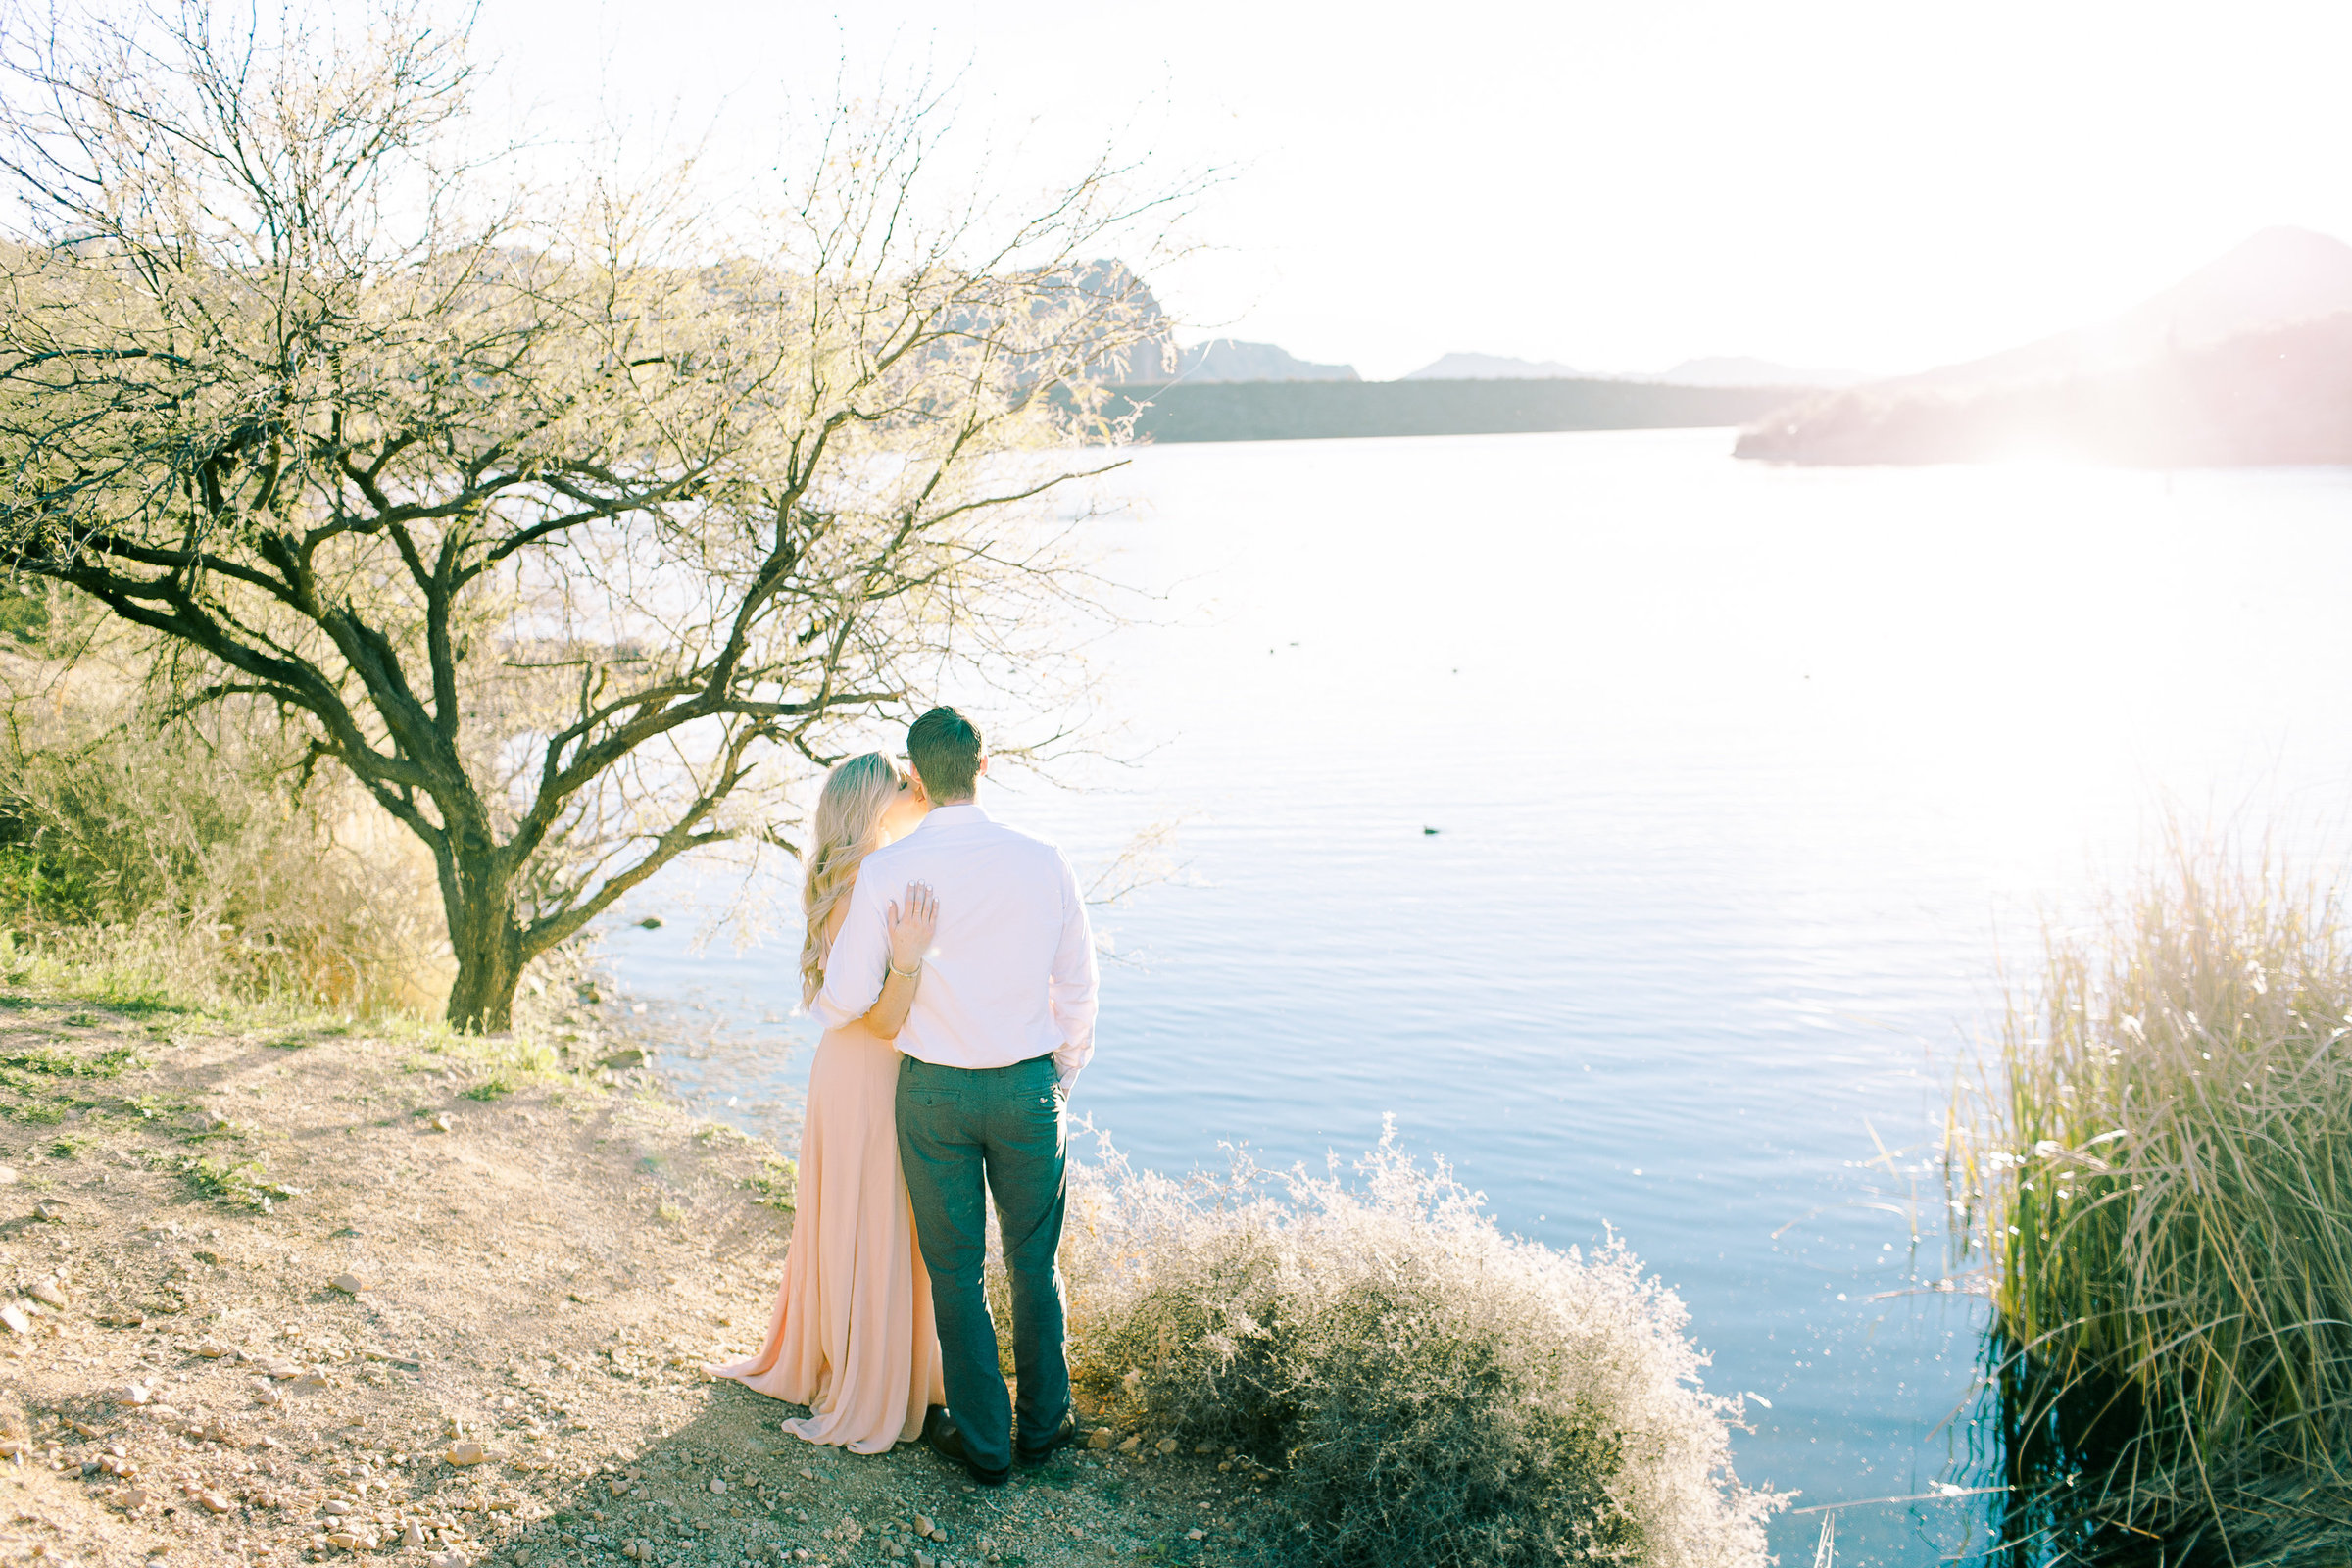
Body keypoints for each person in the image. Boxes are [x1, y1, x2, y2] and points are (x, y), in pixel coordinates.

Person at [814, 706, 1100, 1486]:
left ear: (915, 774)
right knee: (1034, 1264)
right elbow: (1077, 987)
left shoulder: (885, 872)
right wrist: (1059, 1075)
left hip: (934, 1095)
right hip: (1025, 1090)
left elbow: (841, 1000)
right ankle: (1044, 1427)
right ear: (985, 764)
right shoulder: (1044, 860)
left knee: (956, 1271)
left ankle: (985, 1445)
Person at [710, 753, 947, 1453]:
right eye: (904, 785)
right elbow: (875, 1006)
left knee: (857, 1211)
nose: (916, 792)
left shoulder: (841, 873)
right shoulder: (870, 881)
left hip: (847, 1064)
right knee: (874, 1213)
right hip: (870, 1065)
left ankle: (858, 1357)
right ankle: (870, 1375)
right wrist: (912, 956)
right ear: (876, 804)